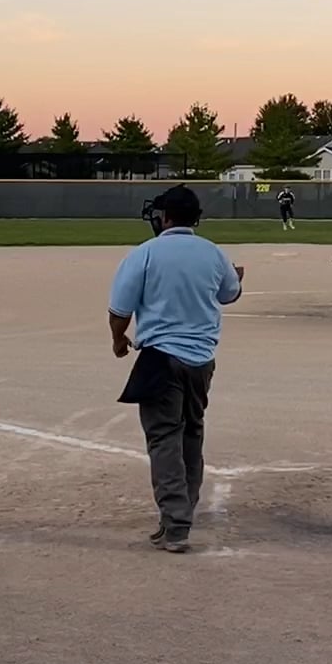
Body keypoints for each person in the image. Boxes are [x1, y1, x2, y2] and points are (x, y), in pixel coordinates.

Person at [107, 185, 244, 554]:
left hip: (160, 359)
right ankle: (182, 512)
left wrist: (118, 341)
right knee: (191, 433)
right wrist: (236, 277)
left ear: (165, 217)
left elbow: (119, 311)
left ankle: (176, 523)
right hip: (202, 361)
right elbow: (230, 293)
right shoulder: (213, 252)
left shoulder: (145, 253)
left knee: (164, 438)